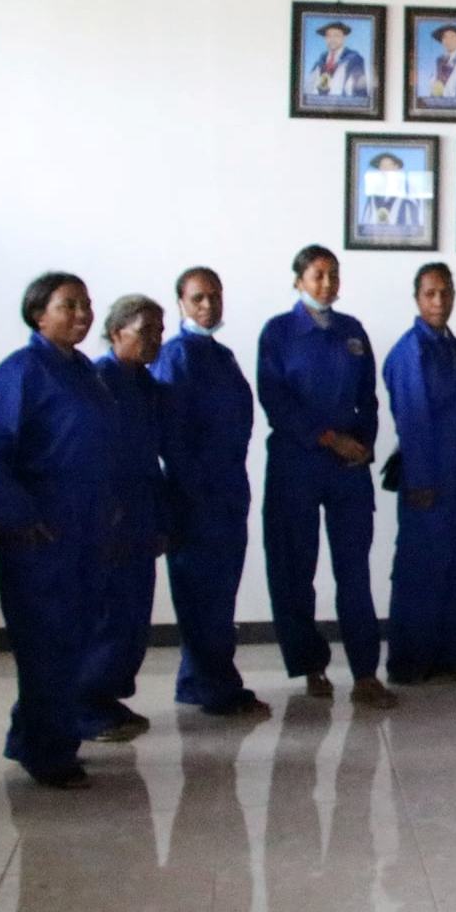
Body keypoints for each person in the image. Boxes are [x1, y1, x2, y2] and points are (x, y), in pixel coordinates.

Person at [0, 272, 118, 788]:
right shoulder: (23, 371)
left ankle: (34, 735)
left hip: (87, 532)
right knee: (46, 648)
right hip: (44, 537)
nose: (81, 314)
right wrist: (20, 518)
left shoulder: (84, 372)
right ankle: (48, 753)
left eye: (86, 304)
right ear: (38, 314)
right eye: (67, 305)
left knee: (73, 643)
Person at [256, 246, 396, 708]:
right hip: (298, 463)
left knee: (353, 569)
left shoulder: (352, 332)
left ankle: (364, 673)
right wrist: (328, 438)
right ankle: (311, 665)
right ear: (298, 280)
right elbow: (276, 401)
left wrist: (366, 443)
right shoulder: (278, 333)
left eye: (334, 275)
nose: (327, 284)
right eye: (318, 275)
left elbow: (369, 398)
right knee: (296, 569)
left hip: (348, 468)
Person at [152, 267, 265, 717]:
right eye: (198, 298)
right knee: (202, 597)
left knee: (219, 595)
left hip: (227, 492)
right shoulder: (177, 357)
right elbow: (174, 439)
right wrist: (198, 494)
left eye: (215, 296)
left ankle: (196, 680)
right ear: (180, 302)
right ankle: (215, 685)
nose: (208, 306)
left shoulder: (221, 355)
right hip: (196, 499)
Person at [383, 263, 456, 685]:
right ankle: (409, 662)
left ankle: (448, 655)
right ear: (417, 298)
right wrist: (421, 481)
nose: (439, 301)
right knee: (420, 571)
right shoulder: (411, 352)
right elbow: (412, 421)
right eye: (430, 294)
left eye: (445, 293)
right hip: (428, 480)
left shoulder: (455, 347)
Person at [80, 295, 168, 743]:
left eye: (159, 331)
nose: (155, 339)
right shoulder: (99, 381)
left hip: (142, 510)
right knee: (107, 613)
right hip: (110, 514)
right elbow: (95, 456)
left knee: (134, 613)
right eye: (145, 331)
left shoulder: (147, 385)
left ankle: (109, 696)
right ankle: (86, 705)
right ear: (117, 333)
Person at [304, 21, 369, 101]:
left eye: (336, 35)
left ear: (344, 38)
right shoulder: (320, 62)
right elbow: (309, 88)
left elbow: (359, 92)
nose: (332, 39)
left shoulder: (354, 59)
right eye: (328, 36)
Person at [359, 153, 422, 233]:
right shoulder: (374, 192)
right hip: (377, 235)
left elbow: (416, 213)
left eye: (388, 165)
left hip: (402, 234)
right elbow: (367, 216)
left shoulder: (408, 188)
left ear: (396, 167)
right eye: (382, 166)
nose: (385, 169)